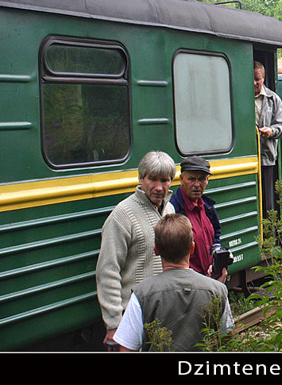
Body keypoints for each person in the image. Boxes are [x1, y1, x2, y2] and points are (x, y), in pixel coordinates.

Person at [112, 213, 234, 351]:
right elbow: (227, 337)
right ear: (192, 248)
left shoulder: (142, 294)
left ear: (156, 250)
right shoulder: (217, 290)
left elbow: (126, 348)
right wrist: (215, 285)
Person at [96, 150, 177, 350]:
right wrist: (114, 324)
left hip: (165, 312)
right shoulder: (122, 215)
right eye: (153, 179)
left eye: (165, 180)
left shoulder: (170, 211)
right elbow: (107, 271)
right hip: (133, 316)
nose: (159, 187)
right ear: (141, 178)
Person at [168, 156, 227, 282]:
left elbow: (216, 232)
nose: (196, 185)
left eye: (201, 179)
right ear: (181, 179)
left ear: (207, 181)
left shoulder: (207, 207)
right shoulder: (174, 210)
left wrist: (216, 255)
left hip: (210, 278)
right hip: (188, 282)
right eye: (191, 179)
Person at [253, 60, 282, 216]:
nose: (254, 83)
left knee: (267, 203)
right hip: (248, 157)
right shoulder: (240, 98)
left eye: (257, 79)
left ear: (263, 79)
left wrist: (272, 131)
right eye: (251, 79)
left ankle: (270, 236)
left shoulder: (274, 99)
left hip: (266, 158)